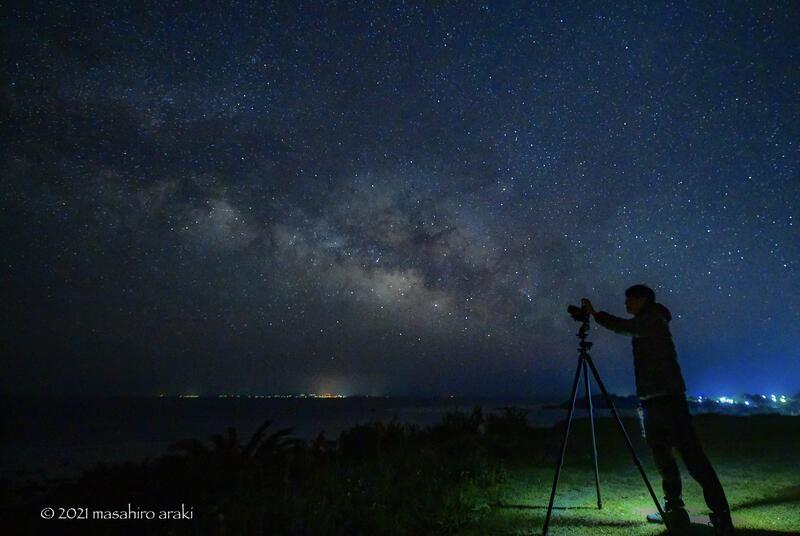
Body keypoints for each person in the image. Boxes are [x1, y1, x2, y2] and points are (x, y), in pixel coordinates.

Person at [580, 285, 734, 536]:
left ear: (642, 300)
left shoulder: (654, 320)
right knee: (663, 457)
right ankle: (674, 509)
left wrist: (597, 315)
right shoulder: (647, 321)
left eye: (629, 299)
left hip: (668, 400)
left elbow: (625, 327)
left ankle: (722, 517)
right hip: (651, 401)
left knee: (693, 458)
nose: (626, 304)